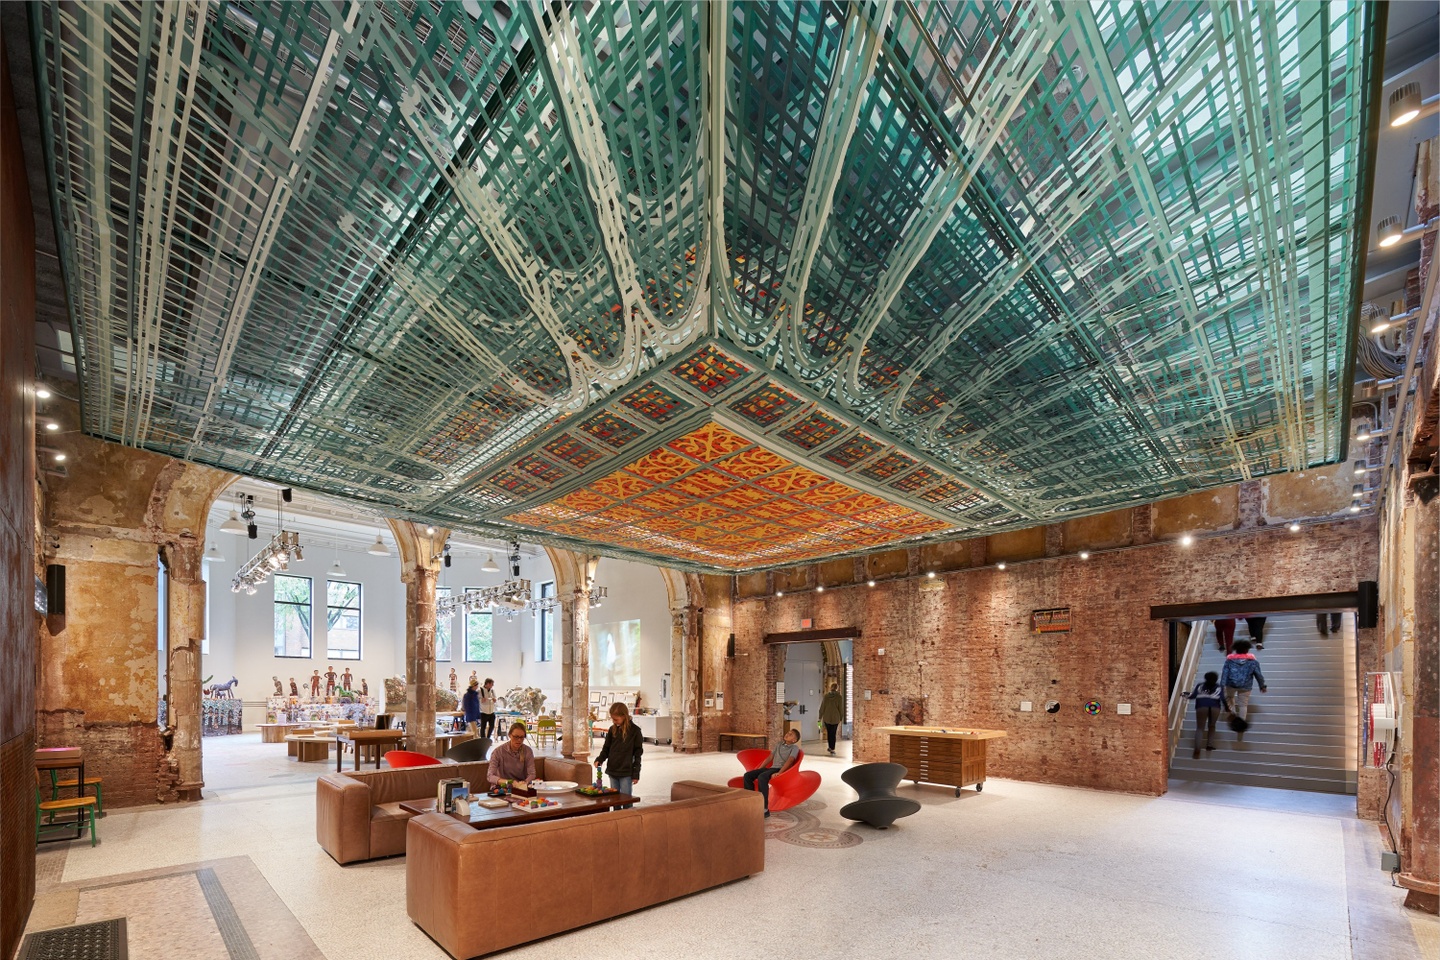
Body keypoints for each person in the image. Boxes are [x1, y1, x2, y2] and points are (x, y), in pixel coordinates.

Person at [743, 727, 801, 817]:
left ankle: (764, 808)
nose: (787, 734)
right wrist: (759, 769)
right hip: (772, 768)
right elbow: (770, 757)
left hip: (780, 769)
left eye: (790, 734)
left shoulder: (794, 748)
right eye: (788, 732)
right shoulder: (779, 744)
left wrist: (780, 773)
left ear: (794, 740)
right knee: (747, 775)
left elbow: (790, 761)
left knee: (762, 777)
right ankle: (751, 800)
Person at [594, 702, 643, 800]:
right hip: (613, 770)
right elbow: (606, 748)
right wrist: (600, 759)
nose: (614, 721)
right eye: (612, 719)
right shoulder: (612, 730)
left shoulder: (635, 731)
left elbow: (637, 754)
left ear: (624, 716)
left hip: (626, 772)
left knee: (626, 800)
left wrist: (636, 773)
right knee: (614, 799)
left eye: (616, 719)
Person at [1220, 639, 1267, 740]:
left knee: (1229, 698)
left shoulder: (1229, 660)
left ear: (1235, 650)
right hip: (1246, 686)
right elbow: (1258, 675)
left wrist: (1222, 684)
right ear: (1247, 650)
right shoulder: (1253, 661)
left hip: (1230, 684)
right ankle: (1241, 724)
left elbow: (1224, 674)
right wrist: (1262, 685)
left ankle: (1233, 717)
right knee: (1243, 705)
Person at [1182, 671, 1229, 758]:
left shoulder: (1200, 685)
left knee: (1200, 728)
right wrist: (1227, 708)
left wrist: (1185, 695)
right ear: (1216, 679)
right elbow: (1222, 698)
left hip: (1201, 706)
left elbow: (1193, 696)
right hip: (1215, 707)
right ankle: (1209, 746)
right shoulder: (1219, 687)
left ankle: (1197, 749)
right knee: (1212, 726)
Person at [487, 722, 536, 786]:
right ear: (509, 735)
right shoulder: (498, 752)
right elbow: (490, 776)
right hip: (502, 787)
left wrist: (525, 782)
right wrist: (508, 782)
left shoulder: (527, 751)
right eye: (516, 737)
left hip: (521, 787)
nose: (519, 740)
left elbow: (532, 774)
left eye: (522, 737)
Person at [819, 682, 845, 756]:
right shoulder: (839, 697)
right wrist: (841, 717)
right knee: (833, 733)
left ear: (831, 687)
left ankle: (830, 747)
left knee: (829, 733)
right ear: (837, 688)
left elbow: (822, 707)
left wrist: (820, 717)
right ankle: (832, 748)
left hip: (826, 717)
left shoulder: (826, 696)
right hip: (835, 718)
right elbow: (840, 709)